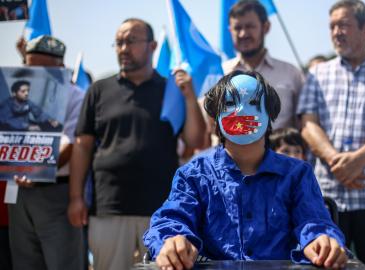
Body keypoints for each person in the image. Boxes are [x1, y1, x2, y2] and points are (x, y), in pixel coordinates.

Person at [144, 70, 348, 270]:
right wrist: (172, 240)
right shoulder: (192, 175)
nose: (241, 111)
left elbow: (314, 220)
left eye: (252, 103)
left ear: (270, 115)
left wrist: (320, 240)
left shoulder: (297, 174)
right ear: (215, 119)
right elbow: (172, 218)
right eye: (231, 104)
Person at [67, 18, 206, 270]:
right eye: (119, 42)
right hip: (109, 207)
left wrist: (188, 96)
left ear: (152, 46)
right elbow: (82, 145)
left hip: (162, 212)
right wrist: (76, 197)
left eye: (131, 41)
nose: (123, 48)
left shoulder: (171, 90)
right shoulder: (98, 90)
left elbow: (196, 140)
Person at [296, 1, 365, 269]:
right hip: (327, 199)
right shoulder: (317, 74)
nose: (336, 32)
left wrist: (358, 159)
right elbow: (308, 123)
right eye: (332, 26)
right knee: (324, 265)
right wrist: (336, 160)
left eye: (344, 24)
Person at [7, 35, 85, 270]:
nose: (34, 73)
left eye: (42, 68)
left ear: (60, 66)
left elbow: (70, 144)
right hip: (17, 192)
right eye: (29, 67)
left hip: (56, 193)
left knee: (63, 263)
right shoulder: (16, 97)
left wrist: (37, 169)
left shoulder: (75, 97)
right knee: (24, 263)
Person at [223, 0, 303, 130]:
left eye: (250, 26)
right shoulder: (220, 73)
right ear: (230, 31)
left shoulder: (291, 73)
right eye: (237, 28)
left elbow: (302, 125)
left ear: (266, 27)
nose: (243, 34)